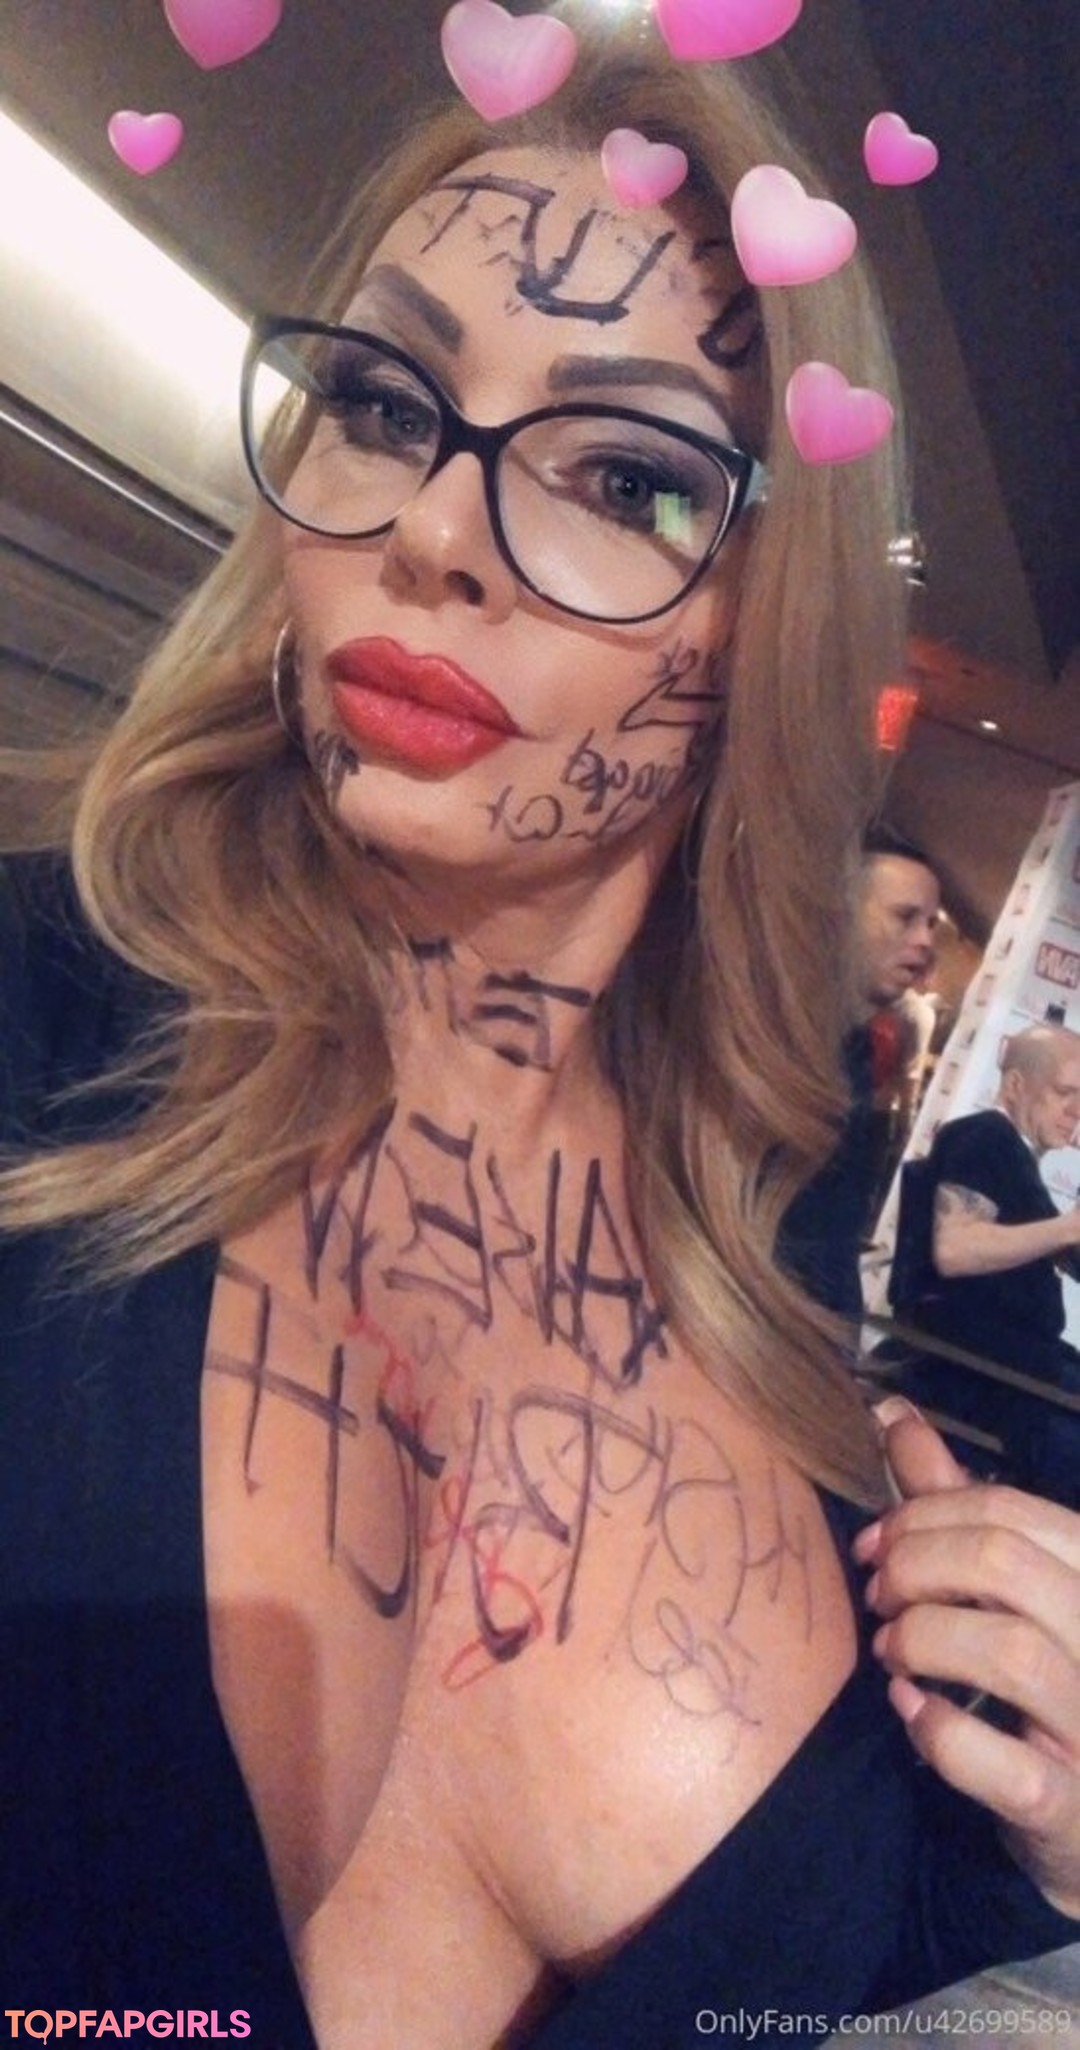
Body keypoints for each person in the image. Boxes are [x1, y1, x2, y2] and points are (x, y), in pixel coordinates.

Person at [1, 13, 1077, 2048]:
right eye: (382, 402)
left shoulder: (780, 1211)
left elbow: (784, 1942)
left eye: (626, 477)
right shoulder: (38, 1025)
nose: (433, 528)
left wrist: (1027, 1845)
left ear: (774, 621)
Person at [890, 1023, 1080, 1506]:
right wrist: (1065, 1230)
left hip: (1015, 1369)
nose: (1076, 1111)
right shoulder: (983, 1137)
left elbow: (1051, 1246)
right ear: (1016, 1085)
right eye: (1064, 1093)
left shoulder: (1014, 1157)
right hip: (983, 1380)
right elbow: (955, 1249)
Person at [779, 829, 941, 1319]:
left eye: (931, 924)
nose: (925, 941)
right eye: (905, 917)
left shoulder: (857, 1049)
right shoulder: (775, 1039)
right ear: (841, 914)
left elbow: (833, 1228)